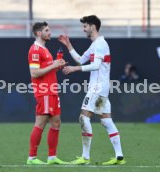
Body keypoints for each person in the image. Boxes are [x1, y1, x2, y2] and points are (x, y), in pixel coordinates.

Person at [58, 15, 125, 165]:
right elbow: (82, 59)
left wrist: (75, 69)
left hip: (97, 86)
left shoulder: (100, 44)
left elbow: (95, 65)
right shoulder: (96, 44)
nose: (83, 29)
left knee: (83, 117)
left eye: (85, 26)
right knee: (106, 120)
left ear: (93, 26)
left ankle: (85, 157)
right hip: (102, 87)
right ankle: (119, 156)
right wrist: (69, 46)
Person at [27, 21, 68, 165]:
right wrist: (54, 65)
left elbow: (47, 69)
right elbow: (34, 73)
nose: (50, 32)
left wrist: (57, 65)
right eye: (47, 30)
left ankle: (52, 157)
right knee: (40, 123)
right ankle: (32, 157)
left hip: (52, 90)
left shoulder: (44, 49)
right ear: (39, 33)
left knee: (56, 123)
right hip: (44, 92)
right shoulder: (35, 50)